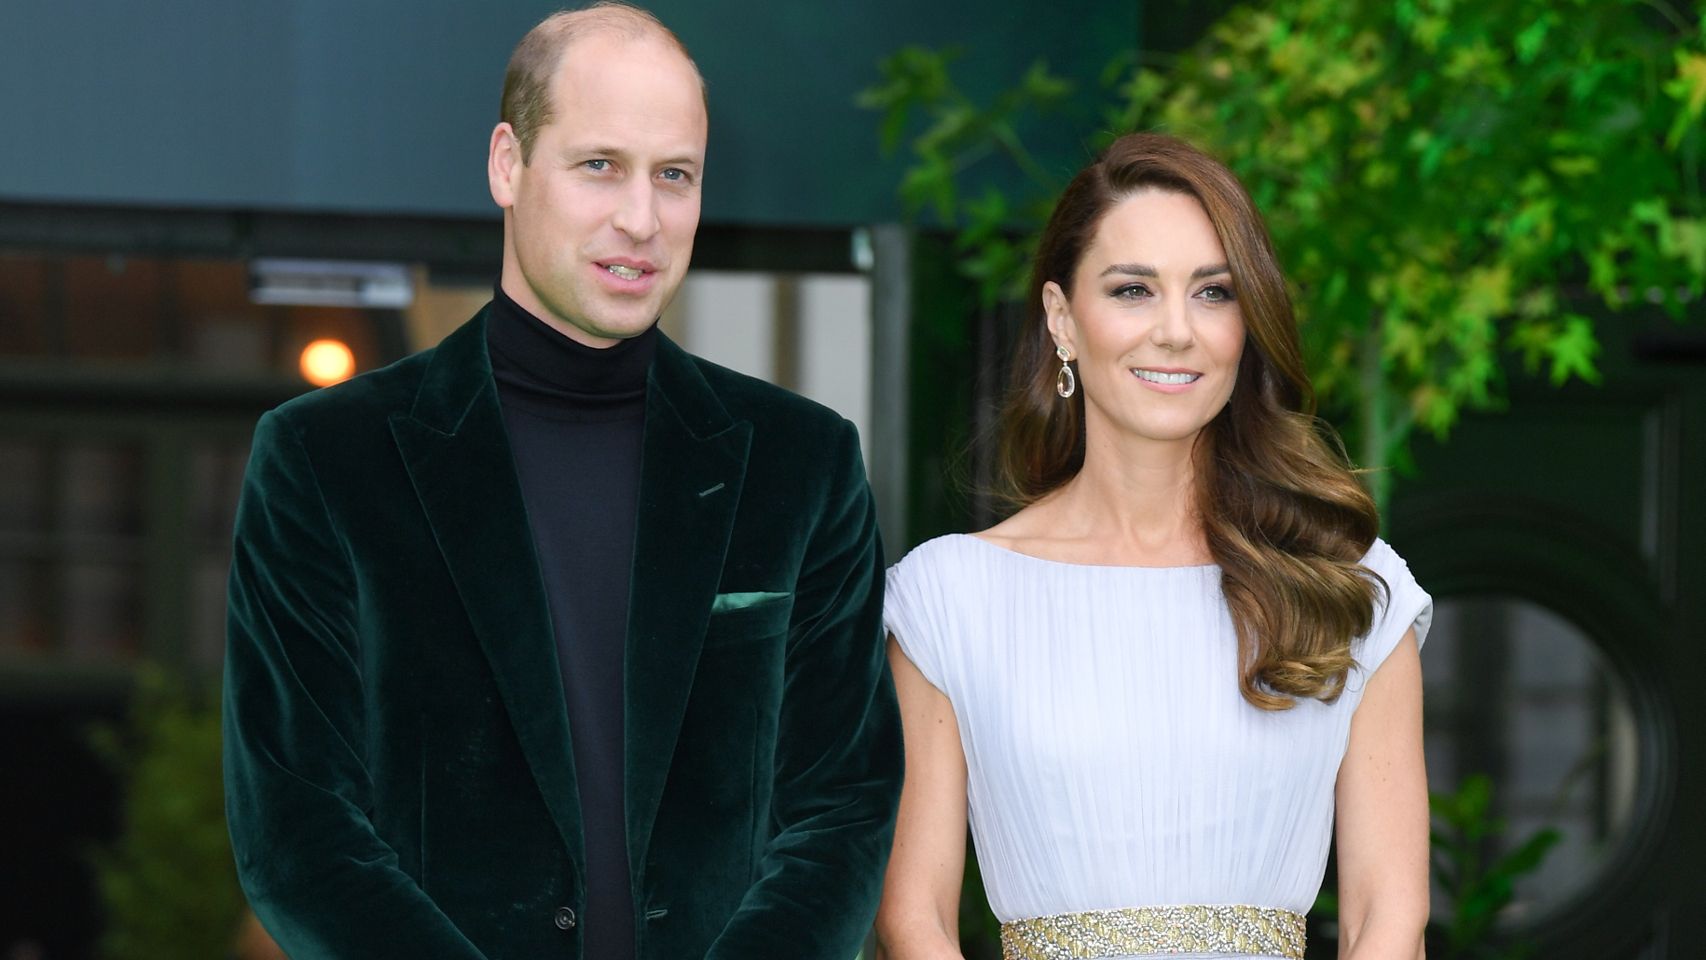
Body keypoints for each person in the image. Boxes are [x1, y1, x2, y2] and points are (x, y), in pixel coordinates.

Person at [222, 5, 903, 960]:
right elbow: (298, 832)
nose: (641, 217)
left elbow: (842, 810)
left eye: (675, 176)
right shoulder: (325, 459)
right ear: (508, 164)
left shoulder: (804, 464)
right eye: (600, 166)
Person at [875, 134, 1431, 960]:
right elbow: (911, 920)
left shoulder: (1348, 585)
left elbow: (1386, 919)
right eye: (1134, 290)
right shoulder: (948, 597)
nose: (1177, 331)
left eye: (1213, 293)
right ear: (1063, 319)